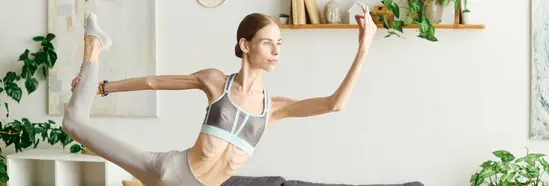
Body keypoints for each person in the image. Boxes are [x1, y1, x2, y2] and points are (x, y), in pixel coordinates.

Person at [64, 5, 377, 186]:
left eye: (279, 44)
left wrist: (363, 49)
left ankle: (93, 46)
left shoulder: (273, 109)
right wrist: (103, 87)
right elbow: (152, 82)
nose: (276, 51)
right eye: (268, 43)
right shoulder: (216, 83)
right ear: (245, 45)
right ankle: (93, 45)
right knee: (73, 124)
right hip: (165, 172)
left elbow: (335, 104)